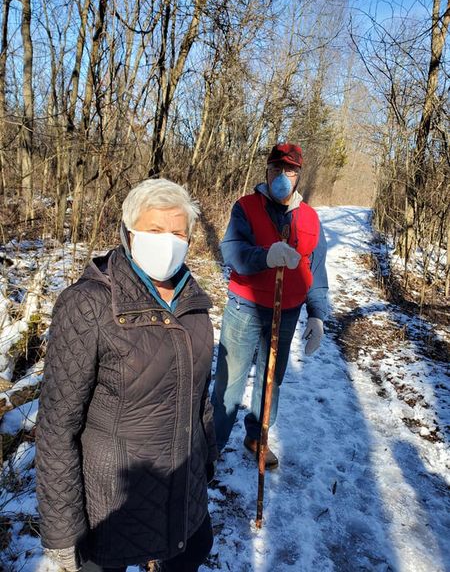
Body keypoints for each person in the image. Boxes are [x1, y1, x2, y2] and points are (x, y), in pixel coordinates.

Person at [36, 179, 217, 572]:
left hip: (182, 499)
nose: (167, 241)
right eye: (154, 230)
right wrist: (63, 533)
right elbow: (56, 427)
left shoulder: (194, 303)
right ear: (129, 232)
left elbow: (200, 395)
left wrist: (206, 464)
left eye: (178, 232)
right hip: (111, 505)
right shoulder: (88, 305)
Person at [212, 143, 328, 469]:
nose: (282, 176)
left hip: (286, 313)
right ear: (267, 171)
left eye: (289, 170)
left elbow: (316, 270)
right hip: (245, 308)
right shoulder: (246, 207)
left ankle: (257, 437)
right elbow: (232, 250)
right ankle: (210, 447)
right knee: (229, 383)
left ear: (298, 175)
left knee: (270, 379)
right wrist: (265, 256)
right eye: (276, 169)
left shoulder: (310, 218)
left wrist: (318, 315)